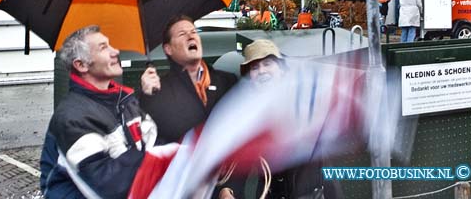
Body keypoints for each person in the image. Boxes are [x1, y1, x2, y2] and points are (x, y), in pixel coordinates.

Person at [41, 25, 157, 199]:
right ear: (81, 65)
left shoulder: (125, 100)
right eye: (103, 47)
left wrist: (151, 98)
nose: (115, 51)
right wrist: (154, 160)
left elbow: (155, 139)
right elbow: (112, 185)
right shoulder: (72, 118)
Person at [139, 15, 239, 198]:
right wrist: (146, 96)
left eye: (194, 32)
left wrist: (228, 188)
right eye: (182, 34)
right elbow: (152, 143)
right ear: (168, 49)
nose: (191, 36)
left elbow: (242, 141)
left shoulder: (228, 82)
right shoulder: (158, 92)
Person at [239, 40, 342, 199]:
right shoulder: (247, 114)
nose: (262, 71)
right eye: (255, 67)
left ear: (281, 69)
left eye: (268, 64)